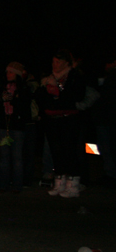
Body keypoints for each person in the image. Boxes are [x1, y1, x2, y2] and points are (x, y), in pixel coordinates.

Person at [36, 49, 87, 197]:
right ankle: (59, 181)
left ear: (66, 63)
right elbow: (41, 97)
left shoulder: (74, 76)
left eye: (58, 62)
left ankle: (73, 183)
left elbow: (76, 96)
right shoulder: (48, 78)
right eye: (53, 61)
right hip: (52, 119)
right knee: (56, 151)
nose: (55, 65)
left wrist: (58, 91)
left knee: (69, 151)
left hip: (69, 119)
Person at [0, 62, 31, 192]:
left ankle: (17, 185)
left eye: (11, 72)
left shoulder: (24, 89)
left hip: (17, 126)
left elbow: (25, 109)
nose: (8, 74)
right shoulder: (1, 87)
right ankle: (3, 184)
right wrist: (1, 100)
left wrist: (13, 100)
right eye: (7, 72)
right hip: (2, 125)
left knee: (17, 157)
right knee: (4, 157)